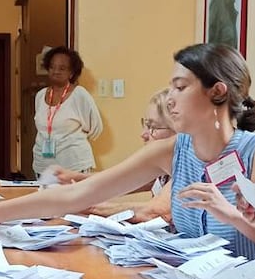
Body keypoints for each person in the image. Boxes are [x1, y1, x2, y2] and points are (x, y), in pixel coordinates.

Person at [0, 43, 255, 273]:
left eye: (181, 87)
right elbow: (75, 195)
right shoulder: (174, 150)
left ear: (217, 93)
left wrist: (235, 218)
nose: (169, 98)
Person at [47, 89, 175, 222]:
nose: (143, 135)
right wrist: (75, 178)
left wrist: (86, 207)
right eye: (145, 125)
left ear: (178, 132)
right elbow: (119, 181)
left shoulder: (186, 167)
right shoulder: (160, 167)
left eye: (152, 127)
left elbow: (153, 212)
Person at [32, 47, 103, 178]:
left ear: (71, 73)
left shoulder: (79, 95)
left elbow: (95, 129)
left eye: (62, 68)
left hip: (74, 165)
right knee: (46, 198)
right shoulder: (40, 95)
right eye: (52, 67)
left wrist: (71, 141)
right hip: (43, 166)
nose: (56, 71)